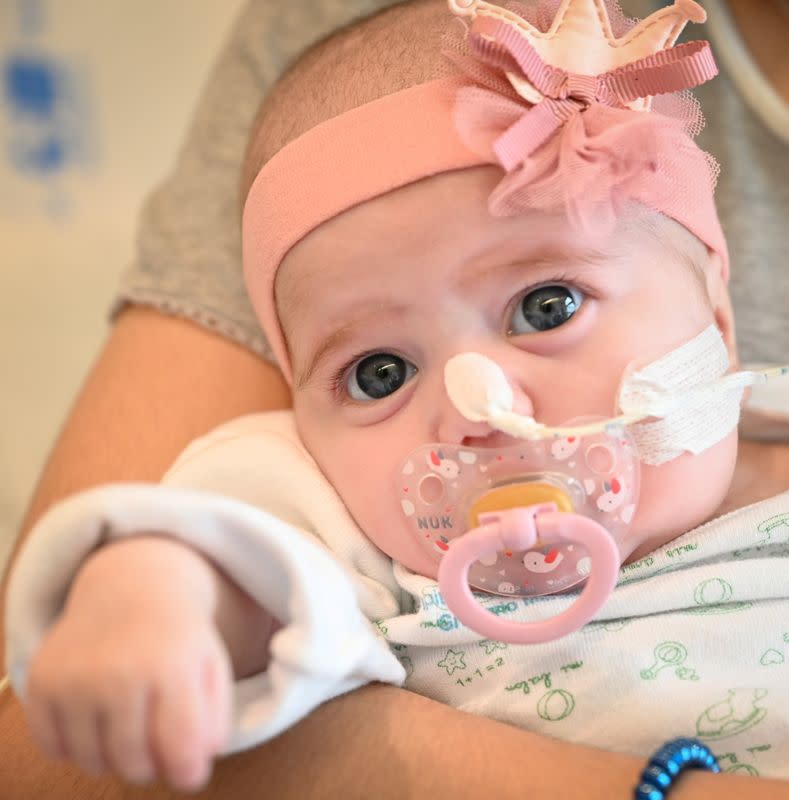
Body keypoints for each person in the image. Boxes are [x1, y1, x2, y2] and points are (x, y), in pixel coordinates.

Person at [1, 2, 787, 799]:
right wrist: (151, 595)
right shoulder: (357, 545)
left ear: (716, 321)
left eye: (546, 307)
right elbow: (232, 563)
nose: (478, 405)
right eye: (380, 373)